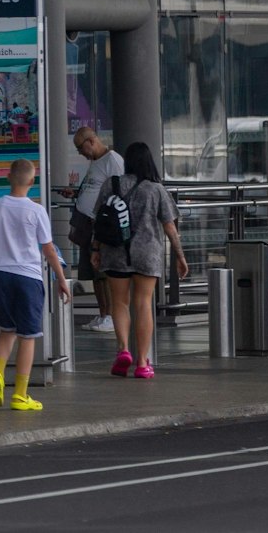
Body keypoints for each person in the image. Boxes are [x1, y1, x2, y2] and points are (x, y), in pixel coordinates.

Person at [0, 158, 69, 411]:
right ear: (32, 182)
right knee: (28, 337)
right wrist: (61, 279)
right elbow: (48, 250)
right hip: (29, 278)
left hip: (1, 276)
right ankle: (20, 395)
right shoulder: (36, 211)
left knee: (6, 330)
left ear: (8, 177)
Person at [98, 142, 188, 379]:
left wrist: (94, 249)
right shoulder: (156, 189)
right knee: (143, 303)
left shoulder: (111, 184)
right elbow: (170, 226)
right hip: (147, 253)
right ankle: (141, 363)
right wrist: (180, 256)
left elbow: (99, 217)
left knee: (119, 303)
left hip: (115, 251)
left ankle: (123, 350)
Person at [57, 127, 125, 334]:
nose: (80, 153)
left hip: (99, 224)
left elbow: (116, 191)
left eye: (80, 148)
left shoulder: (112, 160)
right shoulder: (96, 163)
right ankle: (103, 313)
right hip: (86, 223)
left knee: (103, 272)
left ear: (91, 141)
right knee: (95, 274)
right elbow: (94, 189)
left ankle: (112, 316)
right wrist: (76, 193)